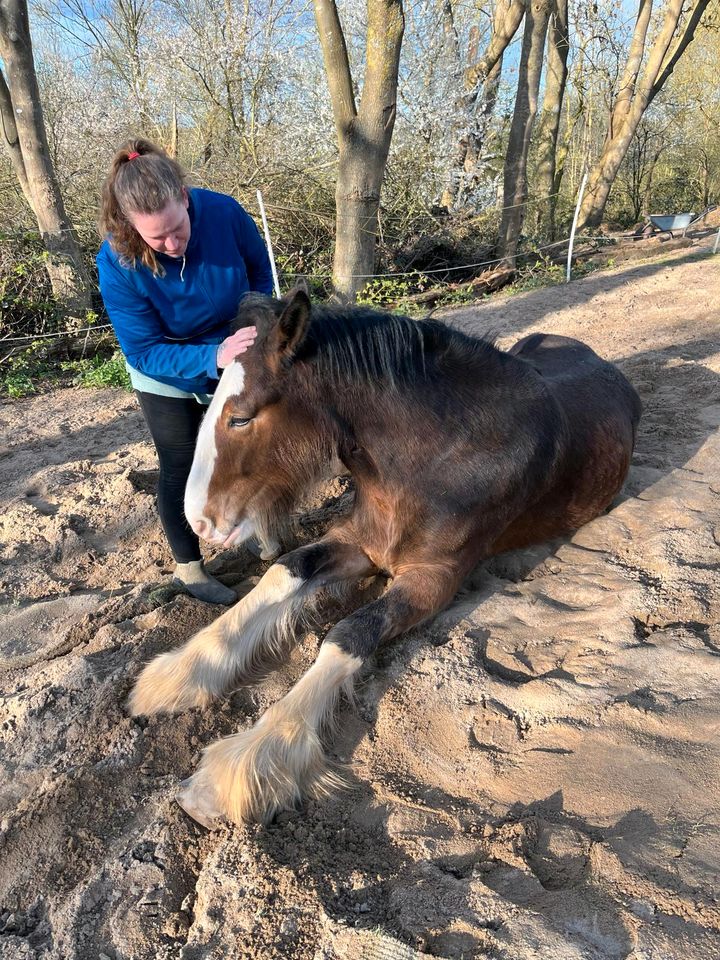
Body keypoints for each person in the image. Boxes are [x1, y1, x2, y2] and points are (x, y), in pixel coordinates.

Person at [97, 138, 274, 604]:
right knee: (179, 465)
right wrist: (209, 357)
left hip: (235, 345)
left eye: (178, 228)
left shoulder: (225, 213)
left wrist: (254, 327)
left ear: (185, 195)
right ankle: (190, 569)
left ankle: (256, 531)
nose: (173, 244)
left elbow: (260, 271)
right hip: (166, 367)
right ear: (129, 226)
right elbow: (143, 352)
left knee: (244, 447)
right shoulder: (115, 262)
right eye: (158, 238)